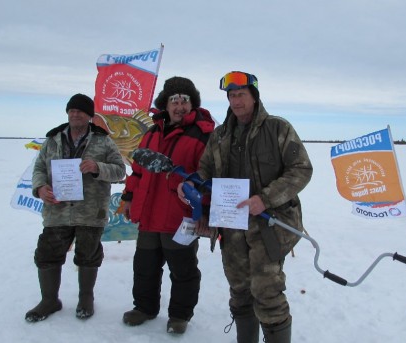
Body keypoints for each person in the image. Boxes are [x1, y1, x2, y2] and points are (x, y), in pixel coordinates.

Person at [178, 71, 313, 343]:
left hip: (269, 226)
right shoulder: (219, 135)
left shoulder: (278, 128)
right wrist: (191, 186)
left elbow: (301, 169)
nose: (235, 100)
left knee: (267, 292)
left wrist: (265, 197)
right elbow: (205, 171)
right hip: (231, 226)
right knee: (239, 290)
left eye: (241, 94)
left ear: (254, 96)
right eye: (231, 95)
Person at [120, 77, 215, 334]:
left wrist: (204, 210)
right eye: (175, 100)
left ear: (193, 104)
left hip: (180, 217)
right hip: (149, 214)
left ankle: (179, 316)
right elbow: (138, 170)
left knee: (183, 270)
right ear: (166, 104)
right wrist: (128, 197)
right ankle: (144, 308)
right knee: (144, 267)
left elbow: (209, 177)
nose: (180, 106)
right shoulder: (151, 133)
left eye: (185, 100)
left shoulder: (203, 135)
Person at [25, 93, 126, 322]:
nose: (75, 114)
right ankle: (49, 300)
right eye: (71, 110)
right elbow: (39, 167)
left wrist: (97, 167)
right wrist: (40, 187)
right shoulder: (53, 139)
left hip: (90, 211)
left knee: (88, 255)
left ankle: (86, 299)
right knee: (47, 253)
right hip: (57, 210)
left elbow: (120, 171)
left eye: (80, 111)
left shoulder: (103, 140)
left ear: (89, 116)